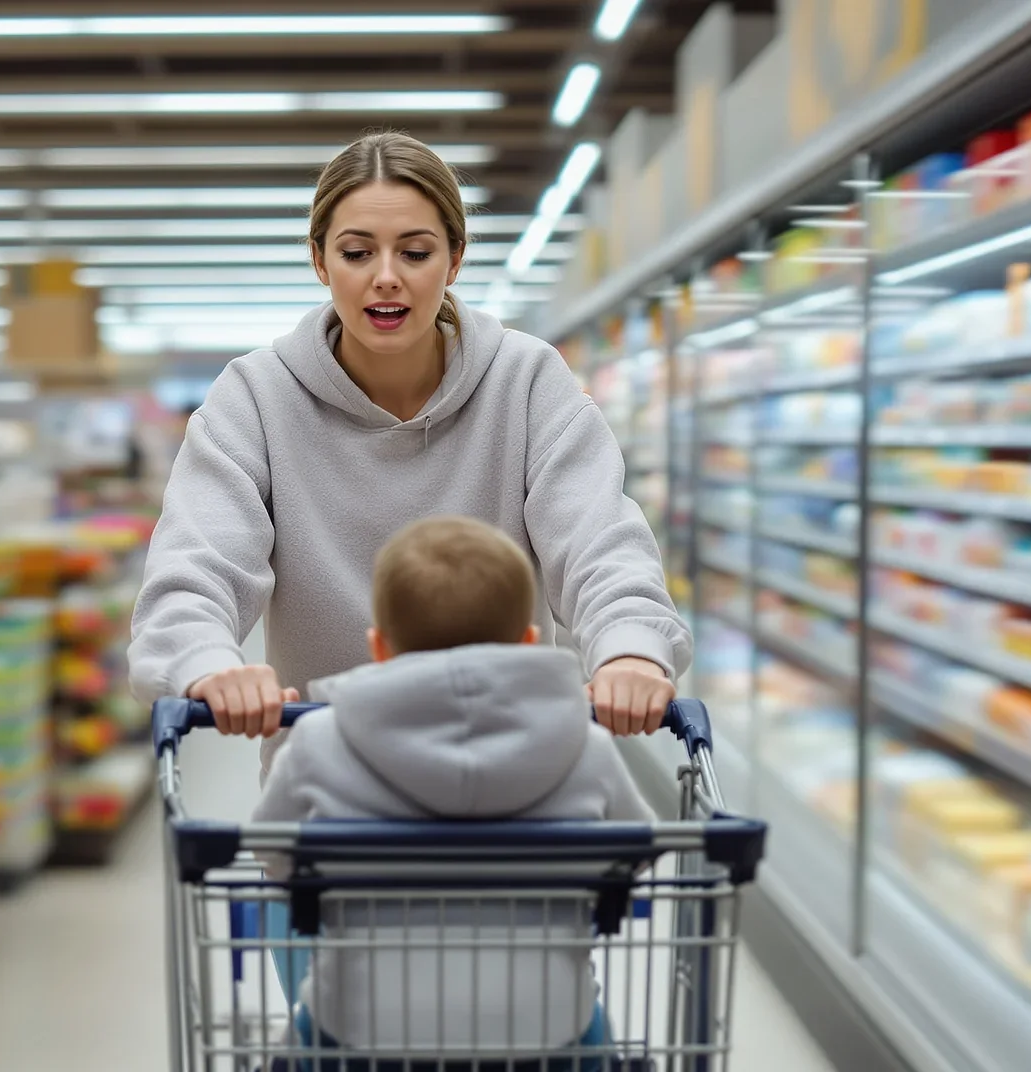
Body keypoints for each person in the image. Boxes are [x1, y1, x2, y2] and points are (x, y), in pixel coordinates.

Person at [128, 130, 691, 757]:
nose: (386, 277)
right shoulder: (255, 399)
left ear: (455, 259)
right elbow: (197, 565)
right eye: (357, 253)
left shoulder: (527, 382)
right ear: (320, 261)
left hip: (517, 775)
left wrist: (631, 647)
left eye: (416, 253)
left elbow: (598, 538)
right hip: (330, 784)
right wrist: (206, 662)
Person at [251, 515, 655, 1068]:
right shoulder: (585, 746)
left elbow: (271, 853)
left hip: (362, 1033)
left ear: (379, 647)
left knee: (299, 1044)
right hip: (543, 1029)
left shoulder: (317, 742)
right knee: (595, 1036)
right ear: (528, 641)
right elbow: (633, 852)